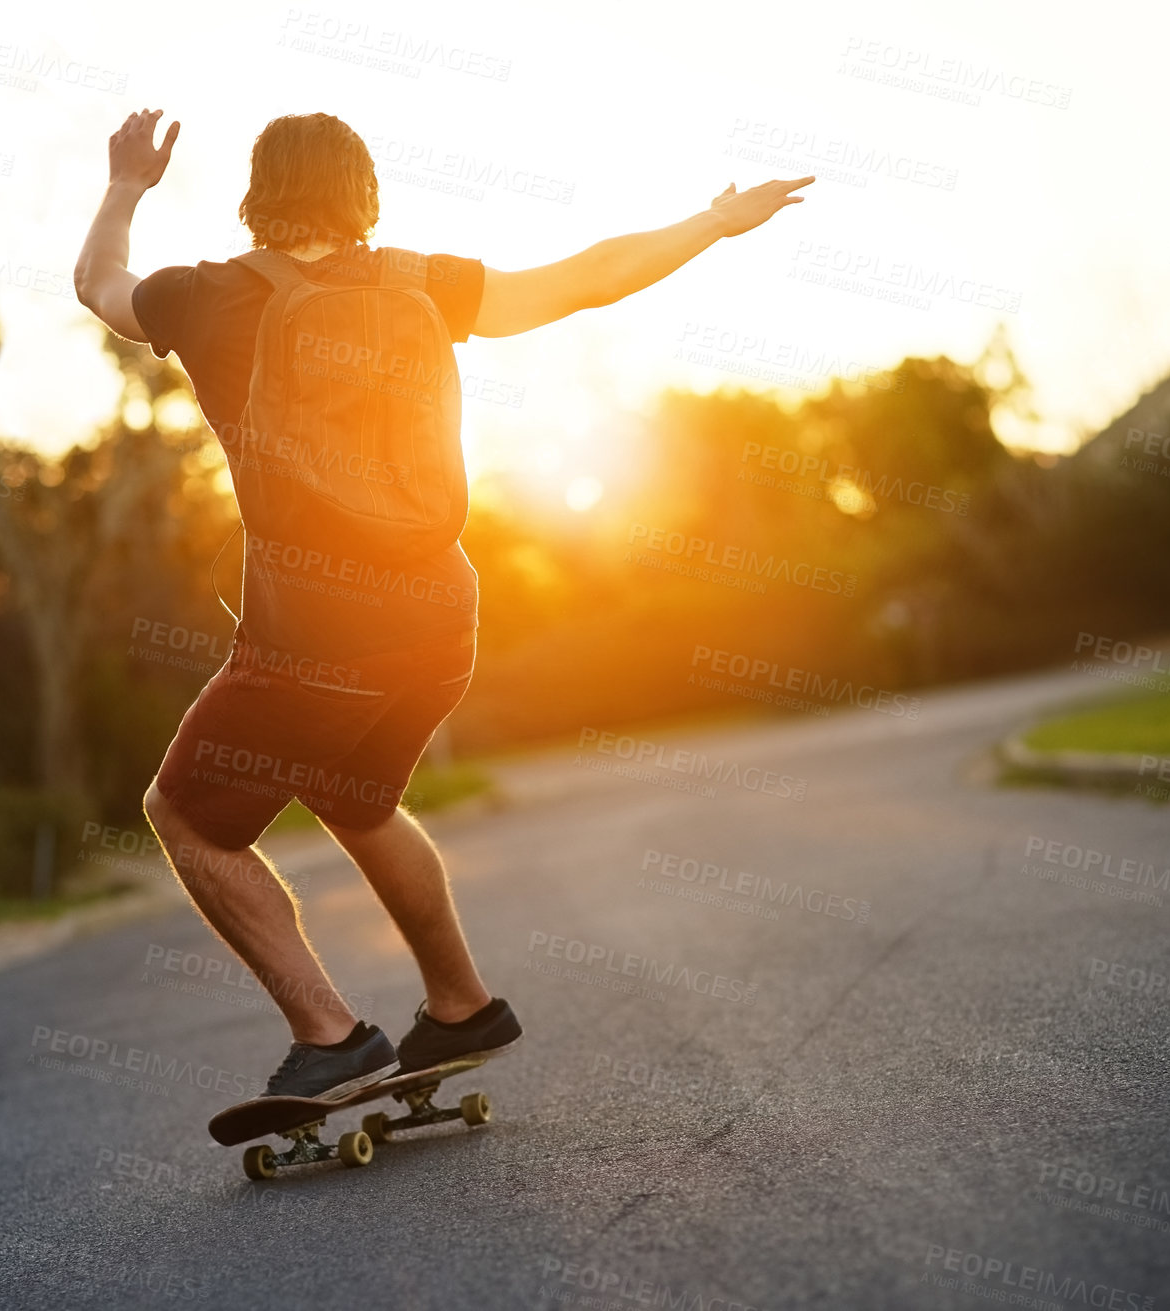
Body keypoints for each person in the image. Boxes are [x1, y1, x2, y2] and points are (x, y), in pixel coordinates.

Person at [73, 108, 813, 1104]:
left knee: (188, 816)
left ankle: (329, 1038)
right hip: (440, 618)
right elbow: (585, 279)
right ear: (363, 195)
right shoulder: (425, 282)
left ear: (259, 195)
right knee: (358, 798)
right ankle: (462, 1004)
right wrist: (710, 223)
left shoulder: (205, 298)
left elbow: (98, 285)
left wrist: (126, 184)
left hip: (314, 638)